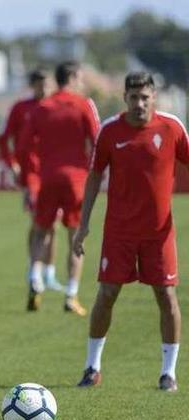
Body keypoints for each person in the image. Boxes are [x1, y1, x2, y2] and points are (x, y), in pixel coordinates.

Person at [72, 71, 188, 392]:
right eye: (134, 98)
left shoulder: (172, 127)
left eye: (145, 98)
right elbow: (94, 176)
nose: (140, 104)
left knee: (166, 296)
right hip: (119, 232)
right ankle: (92, 367)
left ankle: (168, 373)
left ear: (154, 98)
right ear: (125, 98)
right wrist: (83, 225)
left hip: (159, 234)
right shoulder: (109, 131)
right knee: (107, 294)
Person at [17, 61, 99, 315]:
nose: (82, 83)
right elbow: (98, 140)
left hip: (48, 177)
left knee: (41, 231)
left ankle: (35, 279)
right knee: (76, 236)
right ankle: (71, 294)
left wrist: (29, 175)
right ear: (73, 78)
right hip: (76, 179)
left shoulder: (42, 107)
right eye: (81, 78)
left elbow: (22, 146)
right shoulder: (83, 105)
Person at [0, 68, 63, 294]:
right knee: (40, 221)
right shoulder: (21, 109)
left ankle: (48, 273)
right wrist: (13, 164)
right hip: (32, 175)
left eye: (48, 83)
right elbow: (3, 139)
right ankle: (33, 269)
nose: (45, 88)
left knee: (53, 225)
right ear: (32, 85)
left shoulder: (58, 107)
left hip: (55, 173)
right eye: (40, 84)